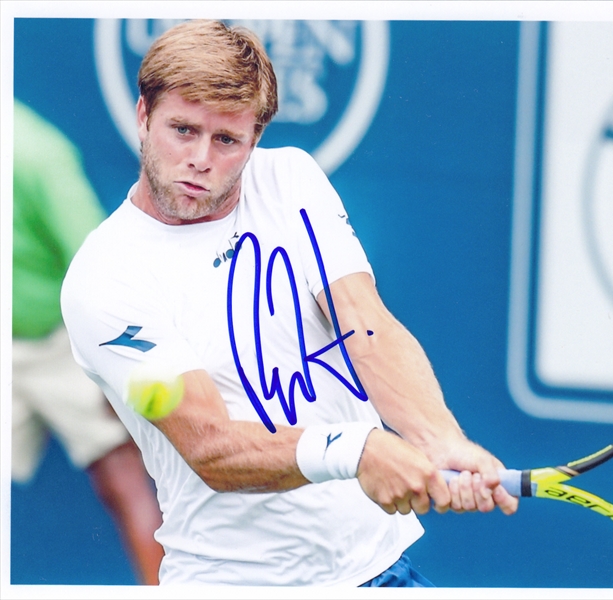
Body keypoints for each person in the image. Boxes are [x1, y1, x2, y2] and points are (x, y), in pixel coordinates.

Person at [61, 20, 517, 587]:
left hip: (381, 568)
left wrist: (441, 439)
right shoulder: (105, 278)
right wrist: (358, 450)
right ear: (143, 115)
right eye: (183, 129)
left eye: (227, 140)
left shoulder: (290, 179)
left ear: (254, 139)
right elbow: (212, 447)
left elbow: (365, 324)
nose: (200, 158)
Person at [12, 99, 165, 585]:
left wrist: (112, 370)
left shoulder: (36, 153)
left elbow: (96, 268)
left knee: (122, 474)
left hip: (58, 343)